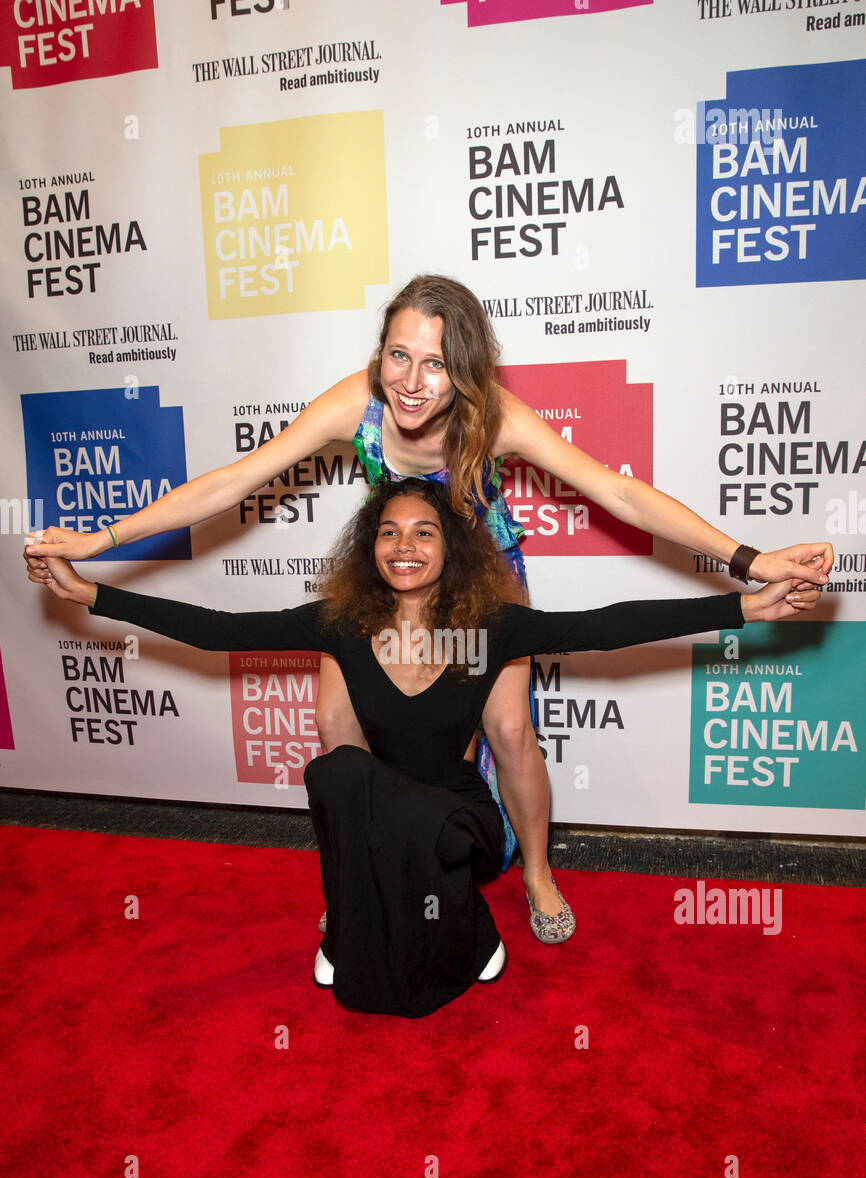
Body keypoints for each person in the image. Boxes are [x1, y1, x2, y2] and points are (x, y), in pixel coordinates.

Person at [24, 275, 834, 941]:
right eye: (398, 356)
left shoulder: (497, 420)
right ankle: (357, 877)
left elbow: (617, 490)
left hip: (483, 585)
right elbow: (235, 479)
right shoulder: (357, 405)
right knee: (336, 730)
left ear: (467, 369)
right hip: (398, 574)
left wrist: (748, 560)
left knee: (510, 729)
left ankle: (539, 873)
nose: (410, 382)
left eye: (436, 364)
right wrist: (107, 539)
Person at [28, 478, 824, 1019]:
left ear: (453, 547)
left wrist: (745, 603)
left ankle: (476, 933)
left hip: (458, 823)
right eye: (388, 533)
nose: (404, 547)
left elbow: (607, 626)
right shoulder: (336, 626)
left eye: (423, 533)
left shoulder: (491, 628)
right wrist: (94, 593)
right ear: (369, 548)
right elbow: (223, 633)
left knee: (407, 820)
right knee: (337, 772)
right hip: (381, 811)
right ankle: (348, 928)